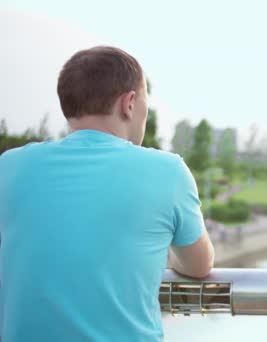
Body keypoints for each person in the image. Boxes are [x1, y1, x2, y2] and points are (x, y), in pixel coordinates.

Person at [0, 46, 214, 341]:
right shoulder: (168, 171)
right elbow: (200, 265)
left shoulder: (9, 166)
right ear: (129, 103)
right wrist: (163, 255)